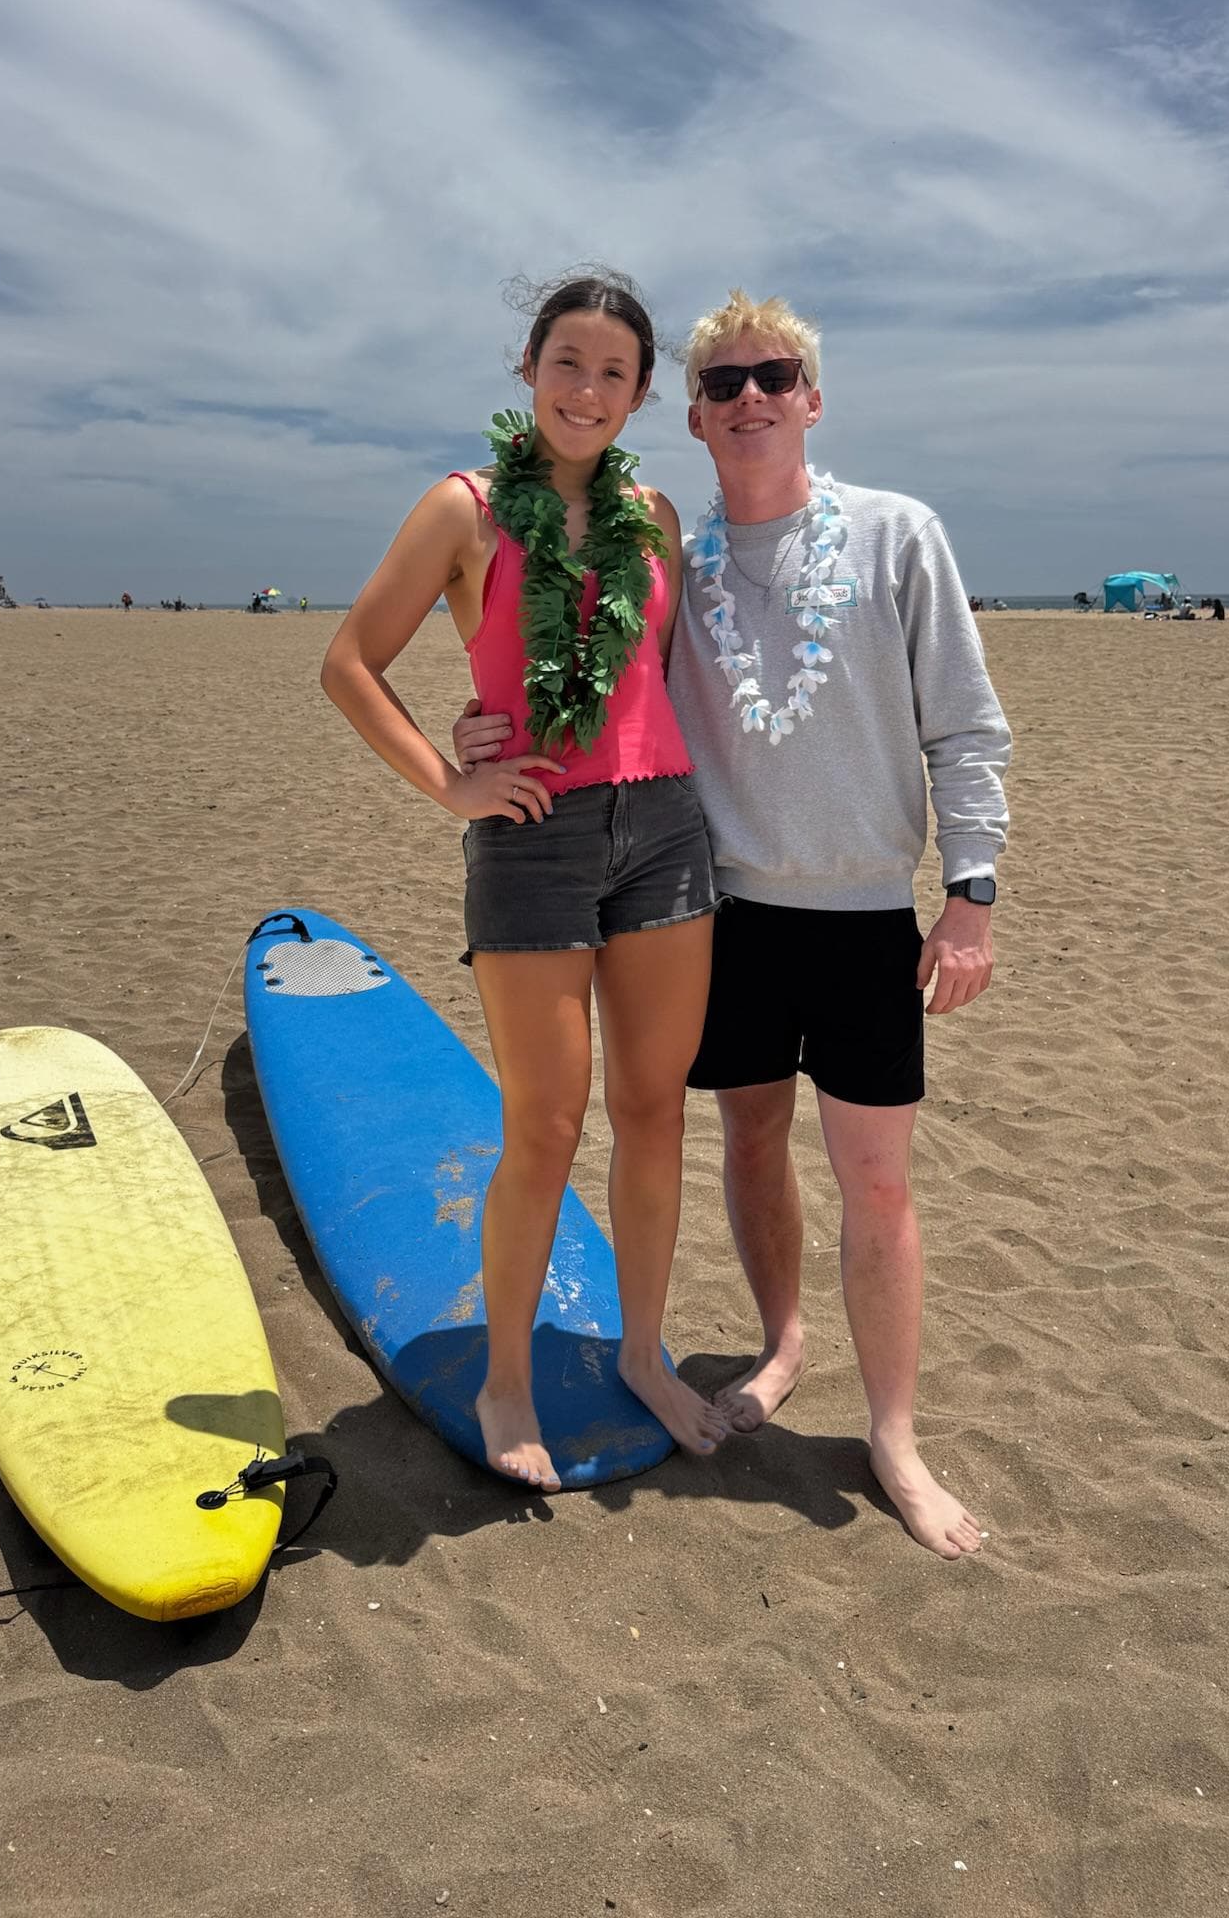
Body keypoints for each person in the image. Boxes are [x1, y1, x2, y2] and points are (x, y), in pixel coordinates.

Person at [456, 289, 1011, 1557]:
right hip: (723, 909)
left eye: (773, 376)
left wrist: (970, 895)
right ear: (696, 418)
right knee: (750, 1146)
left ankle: (894, 1436)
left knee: (878, 1181)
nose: (750, 397)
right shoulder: (674, 558)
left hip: (867, 914)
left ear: (811, 397)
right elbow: (605, 689)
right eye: (723, 384)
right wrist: (476, 730)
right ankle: (781, 1342)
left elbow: (968, 727)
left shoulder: (897, 535)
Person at [321, 270, 726, 1492]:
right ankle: (506, 1377)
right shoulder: (466, 508)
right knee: (545, 1122)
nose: (586, 390)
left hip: (665, 828)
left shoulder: (654, 516)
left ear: (640, 393)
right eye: (567, 363)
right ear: (529, 369)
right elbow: (349, 662)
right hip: (532, 835)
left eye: (613, 372)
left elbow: (652, 677)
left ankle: (643, 1351)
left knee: (654, 1110)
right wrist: (451, 779)